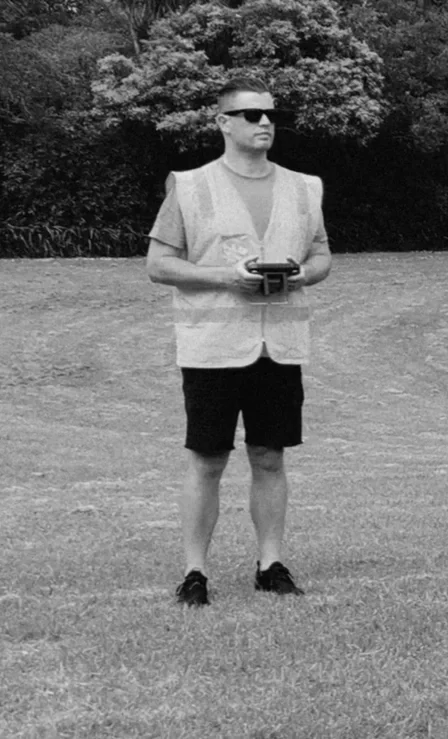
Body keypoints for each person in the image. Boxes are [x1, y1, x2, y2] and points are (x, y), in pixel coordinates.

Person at [146, 74, 333, 606]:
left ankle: (270, 564)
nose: (265, 123)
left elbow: (321, 255)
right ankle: (194, 572)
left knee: (270, 455)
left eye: (272, 114)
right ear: (223, 122)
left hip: (279, 345)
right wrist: (228, 277)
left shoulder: (304, 187)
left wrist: (301, 274)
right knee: (207, 458)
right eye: (252, 115)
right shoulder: (190, 185)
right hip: (212, 347)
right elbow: (158, 265)